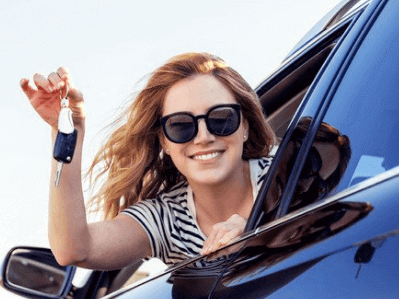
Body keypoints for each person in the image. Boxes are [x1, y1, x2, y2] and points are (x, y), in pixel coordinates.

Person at [20, 52, 276, 270]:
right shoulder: (167, 219)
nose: (204, 137)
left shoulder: (290, 174)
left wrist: (261, 228)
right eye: (180, 125)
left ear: (244, 126)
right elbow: (74, 249)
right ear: (164, 141)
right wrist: (68, 131)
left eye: (221, 118)